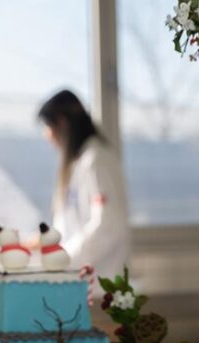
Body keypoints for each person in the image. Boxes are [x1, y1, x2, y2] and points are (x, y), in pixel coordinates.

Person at [37, 90, 131, 281]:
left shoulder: (97, 160)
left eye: (48, 126)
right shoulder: (79, 163)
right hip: (80, 279)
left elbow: (107, 225)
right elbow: (72, 223)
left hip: (100, 283)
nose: (46, 135)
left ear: (62, 122)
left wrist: (63, 258)